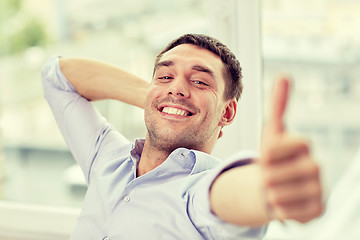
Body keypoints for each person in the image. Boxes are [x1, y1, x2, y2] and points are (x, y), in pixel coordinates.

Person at [41, 34, 322, 239]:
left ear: (227, 113)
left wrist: (266, 190)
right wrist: (162, 101)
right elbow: (57, 77)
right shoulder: (107, 160)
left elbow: (234, 195)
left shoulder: (200, 192)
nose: (177, 87)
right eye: (164, 76)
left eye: (200, 81)